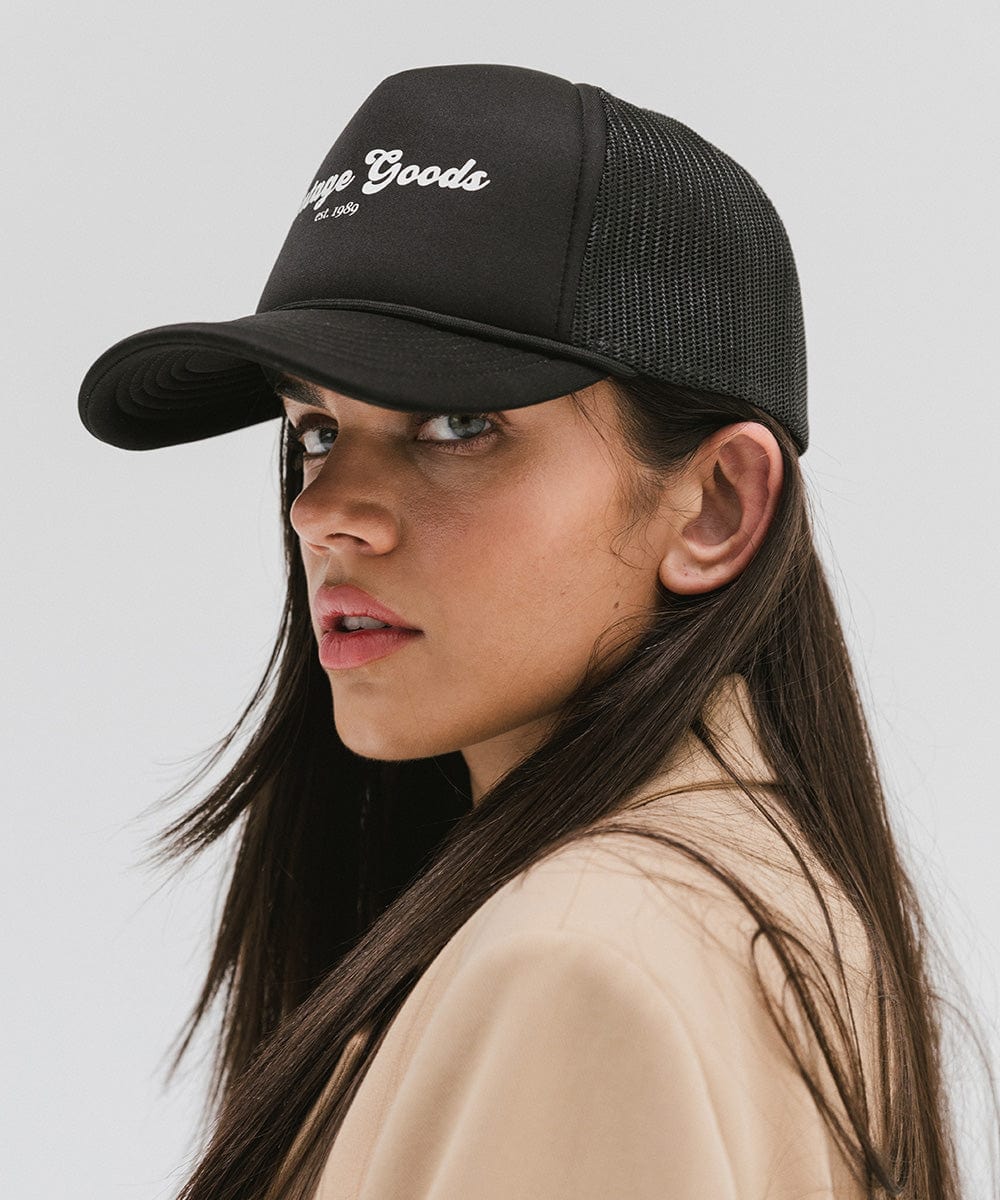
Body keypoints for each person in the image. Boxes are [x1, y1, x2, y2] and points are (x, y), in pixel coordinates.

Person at [77, 63, 982, 1200]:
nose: (321, 511)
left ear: (715, 508)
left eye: (457, 423)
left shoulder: (576, 966)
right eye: (313, 428)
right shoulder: (751, 895)